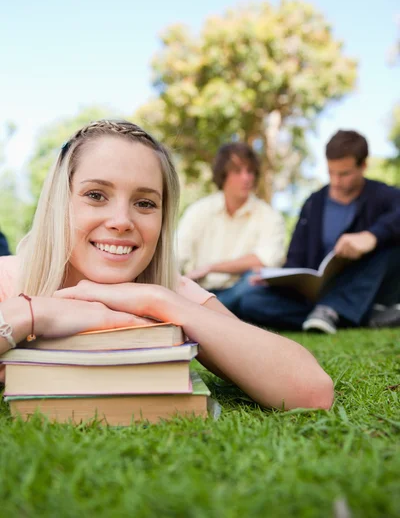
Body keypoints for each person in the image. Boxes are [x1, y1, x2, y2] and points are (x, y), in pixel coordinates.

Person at [0, 119, 333, 411]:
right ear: (61, 202)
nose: (121, 221)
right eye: (96, 195)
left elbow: (312, 391)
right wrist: (35, 314)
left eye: (145, 203)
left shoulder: (173, 291)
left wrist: (159, 301)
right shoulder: (9, 277)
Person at [238, 130, 400, 334]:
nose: (336, 181)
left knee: (391, 246)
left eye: (344, 174)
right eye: (331, 172)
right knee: (251, 300)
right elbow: (296, 259)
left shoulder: (381, 195)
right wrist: (276, 279)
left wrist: (372, 236)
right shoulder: (313, 203)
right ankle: (352, 314)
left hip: (362, 285)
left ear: (363, 166)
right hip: (316, 294)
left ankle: (334, 311)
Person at [177, 142, 286, 314]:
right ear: (223, 175)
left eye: (250, 172)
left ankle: (210, 312)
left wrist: (211, 267)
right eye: (238, 171)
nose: (246, 178)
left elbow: (264, 260)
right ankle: (216, 312)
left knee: (251, 287)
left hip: (242, 290)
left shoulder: (270, 216)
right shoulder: (199, 211)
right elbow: (177, 254)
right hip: (202, 290)